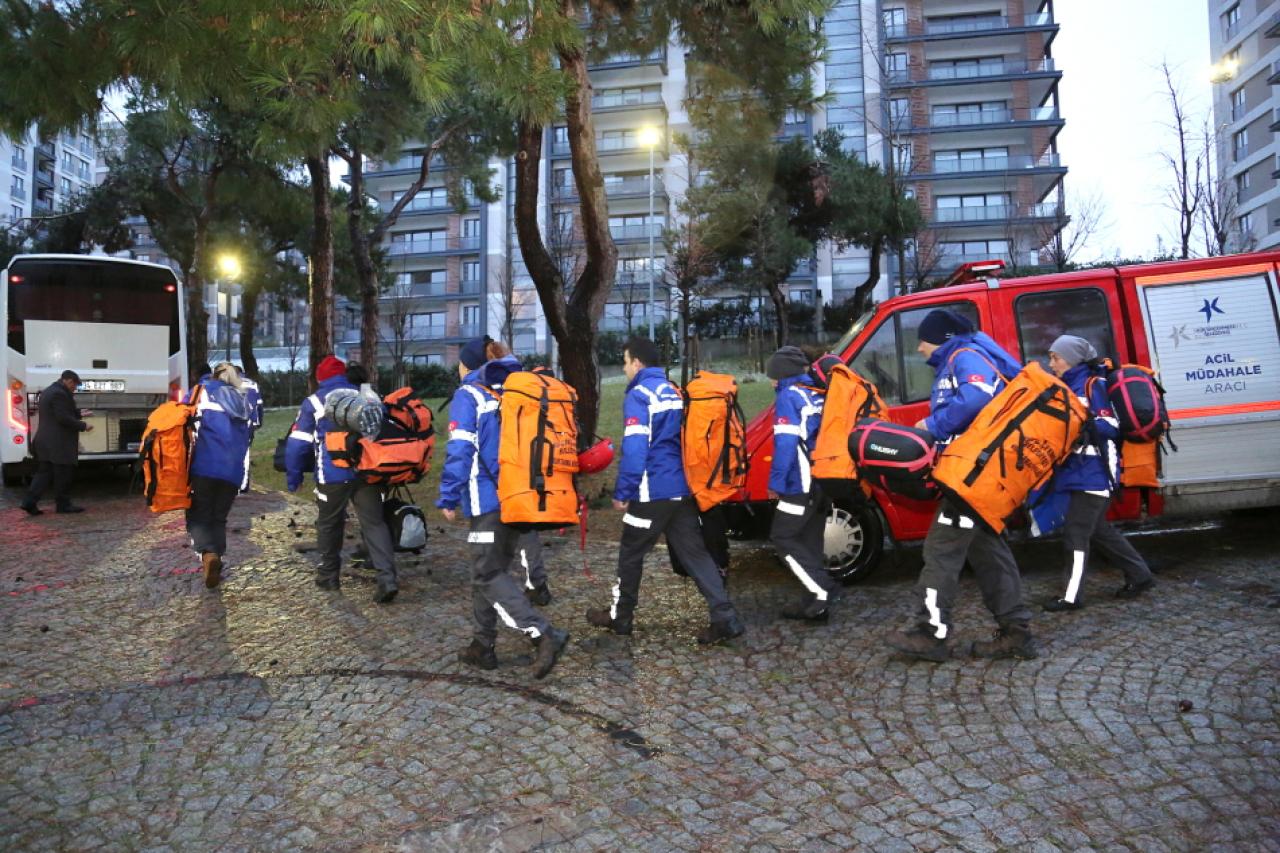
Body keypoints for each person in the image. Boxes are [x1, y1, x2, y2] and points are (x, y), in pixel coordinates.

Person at [886, 309, 1039, 662]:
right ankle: (1017, 633)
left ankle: (931, 633)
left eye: (923, 340)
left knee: (940, 551)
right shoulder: (960, 358)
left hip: (973, 479)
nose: (920, 348)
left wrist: (933, 426)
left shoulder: (964, 356)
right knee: (989, 554)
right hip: (978, 476)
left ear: (942, 338)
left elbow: (977, 397)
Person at [585, 337, 745, 644]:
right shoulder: (674, 390)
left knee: (631, 553)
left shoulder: (639, 395)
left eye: (625, 361)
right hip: (681, 490)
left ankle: (621, 617)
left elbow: (634, 448)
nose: (624, 367)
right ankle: (726, 618)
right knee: (696, 555)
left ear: (637, 363)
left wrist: (624, 490)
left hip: (651, 492)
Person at [438, 337, 568, 678]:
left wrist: (448, 494)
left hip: (487, 502)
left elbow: (461, 449)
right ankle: (483, 646)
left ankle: (542, 632)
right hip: (518, 497)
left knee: (487, 573)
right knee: (486, 571)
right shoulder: (510, 393)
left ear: (466, 366)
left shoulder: (470, 396)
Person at [1042, 335, 1156, 611]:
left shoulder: (1094, 385)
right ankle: (1140, 575)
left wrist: (1080, 424)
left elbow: (1108, 426)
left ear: (1072, 359)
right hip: (1081, 471)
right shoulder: (1071, 384)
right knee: (1099, 530)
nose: (1051, 363)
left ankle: (1071, 596)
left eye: (1055, 357)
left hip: (1095, 472)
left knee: (1076, 534)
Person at [285, 355, 399, 603]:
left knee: (329, 523)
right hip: (368, 471)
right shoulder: (366, 395)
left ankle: (328, 575)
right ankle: (387, 578)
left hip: (332, 474)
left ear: (320, 377)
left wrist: (293, 477)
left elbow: (297, 444)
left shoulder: (315, 401)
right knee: (374, 523)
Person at [766, 345, 843, 622]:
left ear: (783, 374)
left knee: (783, 537)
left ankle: (822, 590)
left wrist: (775, 482)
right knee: (809, 540)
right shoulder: (818, 392)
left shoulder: (789, 396)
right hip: (823, 479)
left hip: (799, 483)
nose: (771, 380)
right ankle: (814, 600)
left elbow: (786, 444)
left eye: (772, 375)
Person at [186, 362, 252, 589]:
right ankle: (217, 559)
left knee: (199, 514)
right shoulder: (242, 400)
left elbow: (180, 419)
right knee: (219, 518)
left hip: (205, 465)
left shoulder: (200, 393)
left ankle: (208, 555)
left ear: (213, 376)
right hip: (232, 470)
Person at [21, 370, 92, 515]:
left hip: (46, 441)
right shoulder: (59, 393)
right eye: (74, 385)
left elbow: (57, 412)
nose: (74, 388)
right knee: (63, 474)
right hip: (58, 443)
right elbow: (63, 418)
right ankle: (63, 505)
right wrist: (83, 426)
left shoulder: (49, 391)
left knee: (44, 474)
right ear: (69, 381)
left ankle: (29, 502)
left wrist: (78, 413)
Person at [233, 364, 264, 492]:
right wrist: (258, 422)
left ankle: (233, 483)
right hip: (248, 423)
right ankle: (243, 486)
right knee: (245, 452)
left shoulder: (229, 383)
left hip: (233, 422)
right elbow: (259, 405)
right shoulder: (253, 384)